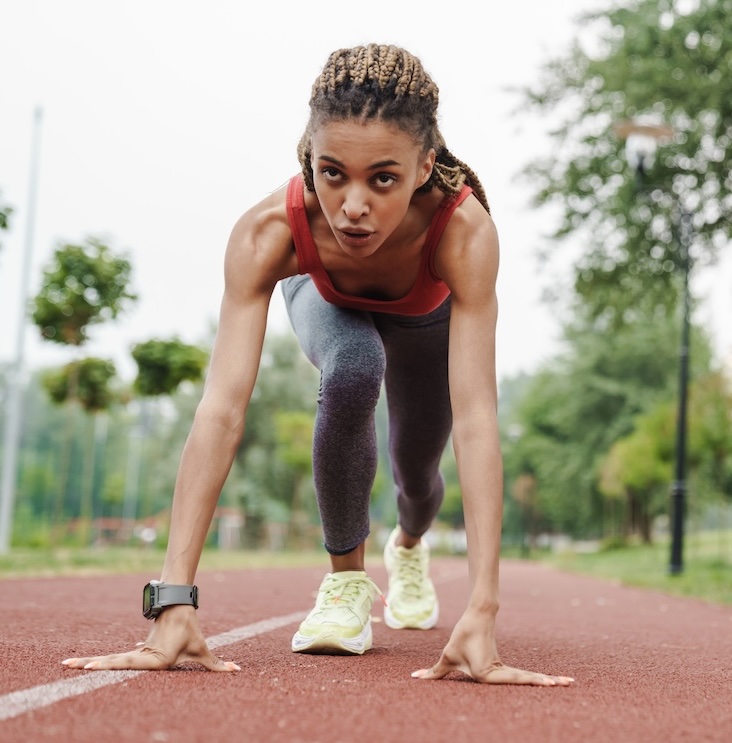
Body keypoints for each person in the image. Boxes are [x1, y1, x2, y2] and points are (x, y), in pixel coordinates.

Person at [63, 44, 573, 686]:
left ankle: (408, 546)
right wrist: (171, 601)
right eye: (333, 173)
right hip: (327, 298)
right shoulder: (270, 231)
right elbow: (221, 408)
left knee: (417, 470)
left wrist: (484, 610)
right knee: (354, 366)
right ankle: (347, 584)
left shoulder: (463, 232)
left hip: (425, 316)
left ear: (424, 167)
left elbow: (476, 418)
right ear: (309, 154)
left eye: (381, 178)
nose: (353, 205)